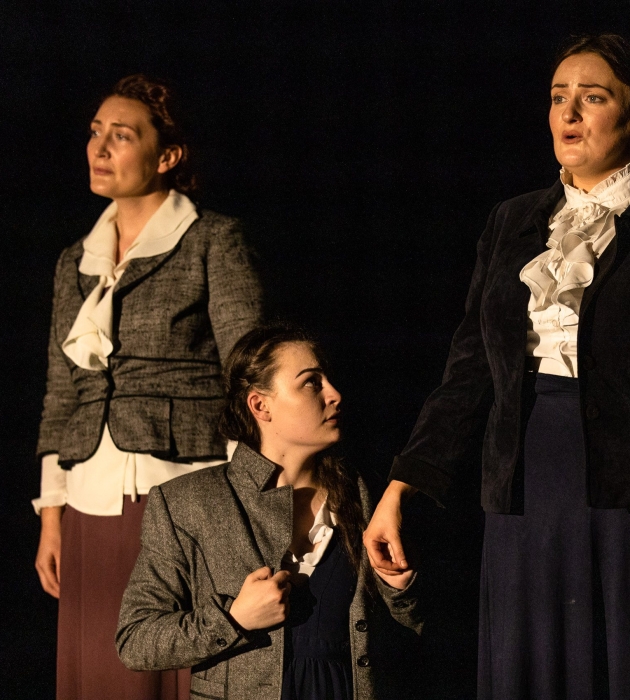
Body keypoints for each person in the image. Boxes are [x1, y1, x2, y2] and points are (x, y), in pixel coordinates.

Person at [363, 33, 630, 699]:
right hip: (526, 491)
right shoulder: (514, 222)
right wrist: (401, 488)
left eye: (593, 98)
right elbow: (468, 373)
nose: (569, 114)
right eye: (558, 98)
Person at [32, 74, 262, 700]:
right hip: (86, 498)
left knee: (163, 665)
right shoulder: (73, 261)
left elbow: (248, 375)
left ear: (167, 157)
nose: (99, 148)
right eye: (95, 132)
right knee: (98, 669)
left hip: (176, 489)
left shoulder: (213, 238)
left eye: (122, 136)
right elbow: (63, 392)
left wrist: (251, 499)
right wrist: (51, 517)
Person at [115, 325, 422, 700]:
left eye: (330, 380)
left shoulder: (370, 496)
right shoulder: (187, 503)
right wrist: (232, 620)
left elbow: (423, 633)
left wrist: (399, 587)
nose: (335, 395)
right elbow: (136, 640)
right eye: (311, 383)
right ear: (261, 405)